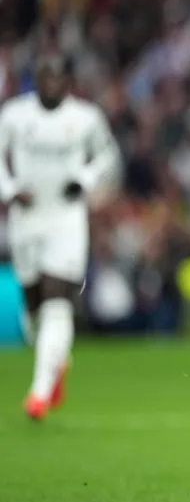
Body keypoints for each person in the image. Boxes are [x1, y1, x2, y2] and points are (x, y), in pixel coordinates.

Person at [0, 53, 120, 421]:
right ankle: (56, 362)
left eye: (56, 76)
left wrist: (84, 179)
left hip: (66, 219)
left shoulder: (85, 117)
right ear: (36, 79)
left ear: (67, 81)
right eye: (44, 75)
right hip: (26, 218)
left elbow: (107, 156)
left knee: (57, 299)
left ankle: (38, 394)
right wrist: (10, 190)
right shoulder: (14, 115)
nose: (50, 82)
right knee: (34, 307)